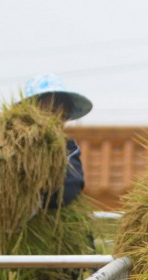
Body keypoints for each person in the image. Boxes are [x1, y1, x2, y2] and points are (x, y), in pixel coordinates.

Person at [21, 73, 92, 209]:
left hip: (43, 218)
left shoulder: (67, 149)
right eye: (51, 111)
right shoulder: (8, 144)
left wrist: (34, 199)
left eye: (62, 114)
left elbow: (69, 188)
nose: (56, 118)